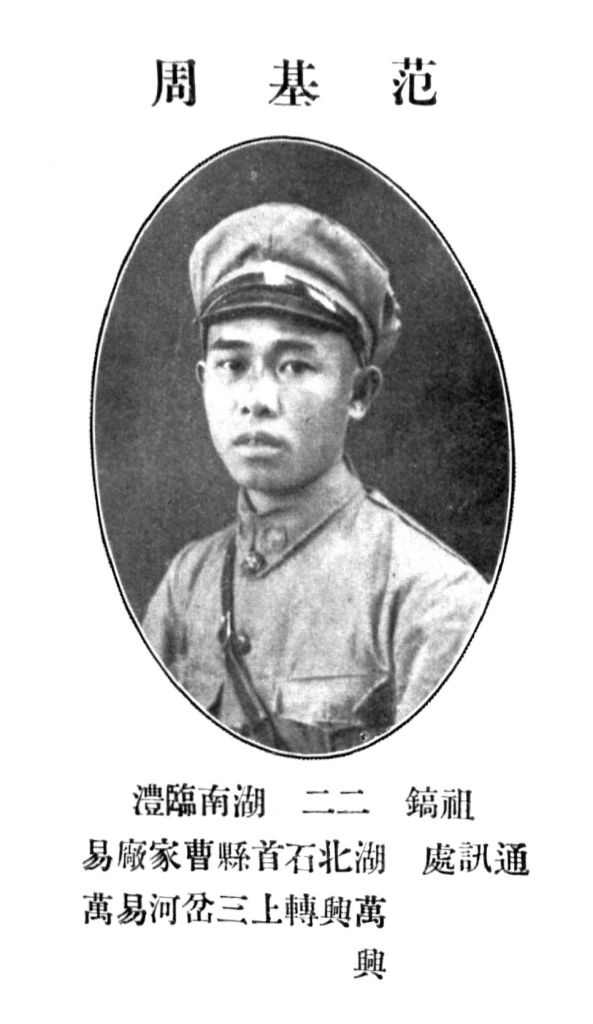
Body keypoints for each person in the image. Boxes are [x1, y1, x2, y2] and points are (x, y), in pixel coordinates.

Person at [143, 202, 488, 754]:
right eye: (233, 365)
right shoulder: (188, 584)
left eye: (295, 366)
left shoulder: (433, 599)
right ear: (204, 380)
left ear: (359, 393)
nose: (257, 399)